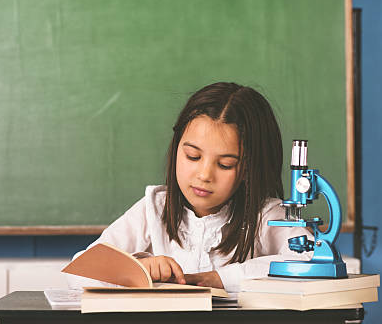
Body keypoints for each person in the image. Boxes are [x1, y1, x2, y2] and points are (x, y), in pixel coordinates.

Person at [67, 82, 312, 293]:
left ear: (249, 168)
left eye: (225, 164)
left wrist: (219, 279)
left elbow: (311, 263)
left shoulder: (267, 215)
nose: (204, 175)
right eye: (193, 156)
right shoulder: (154, 208)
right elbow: (79, 271)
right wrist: (136, 267)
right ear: (177, 149)